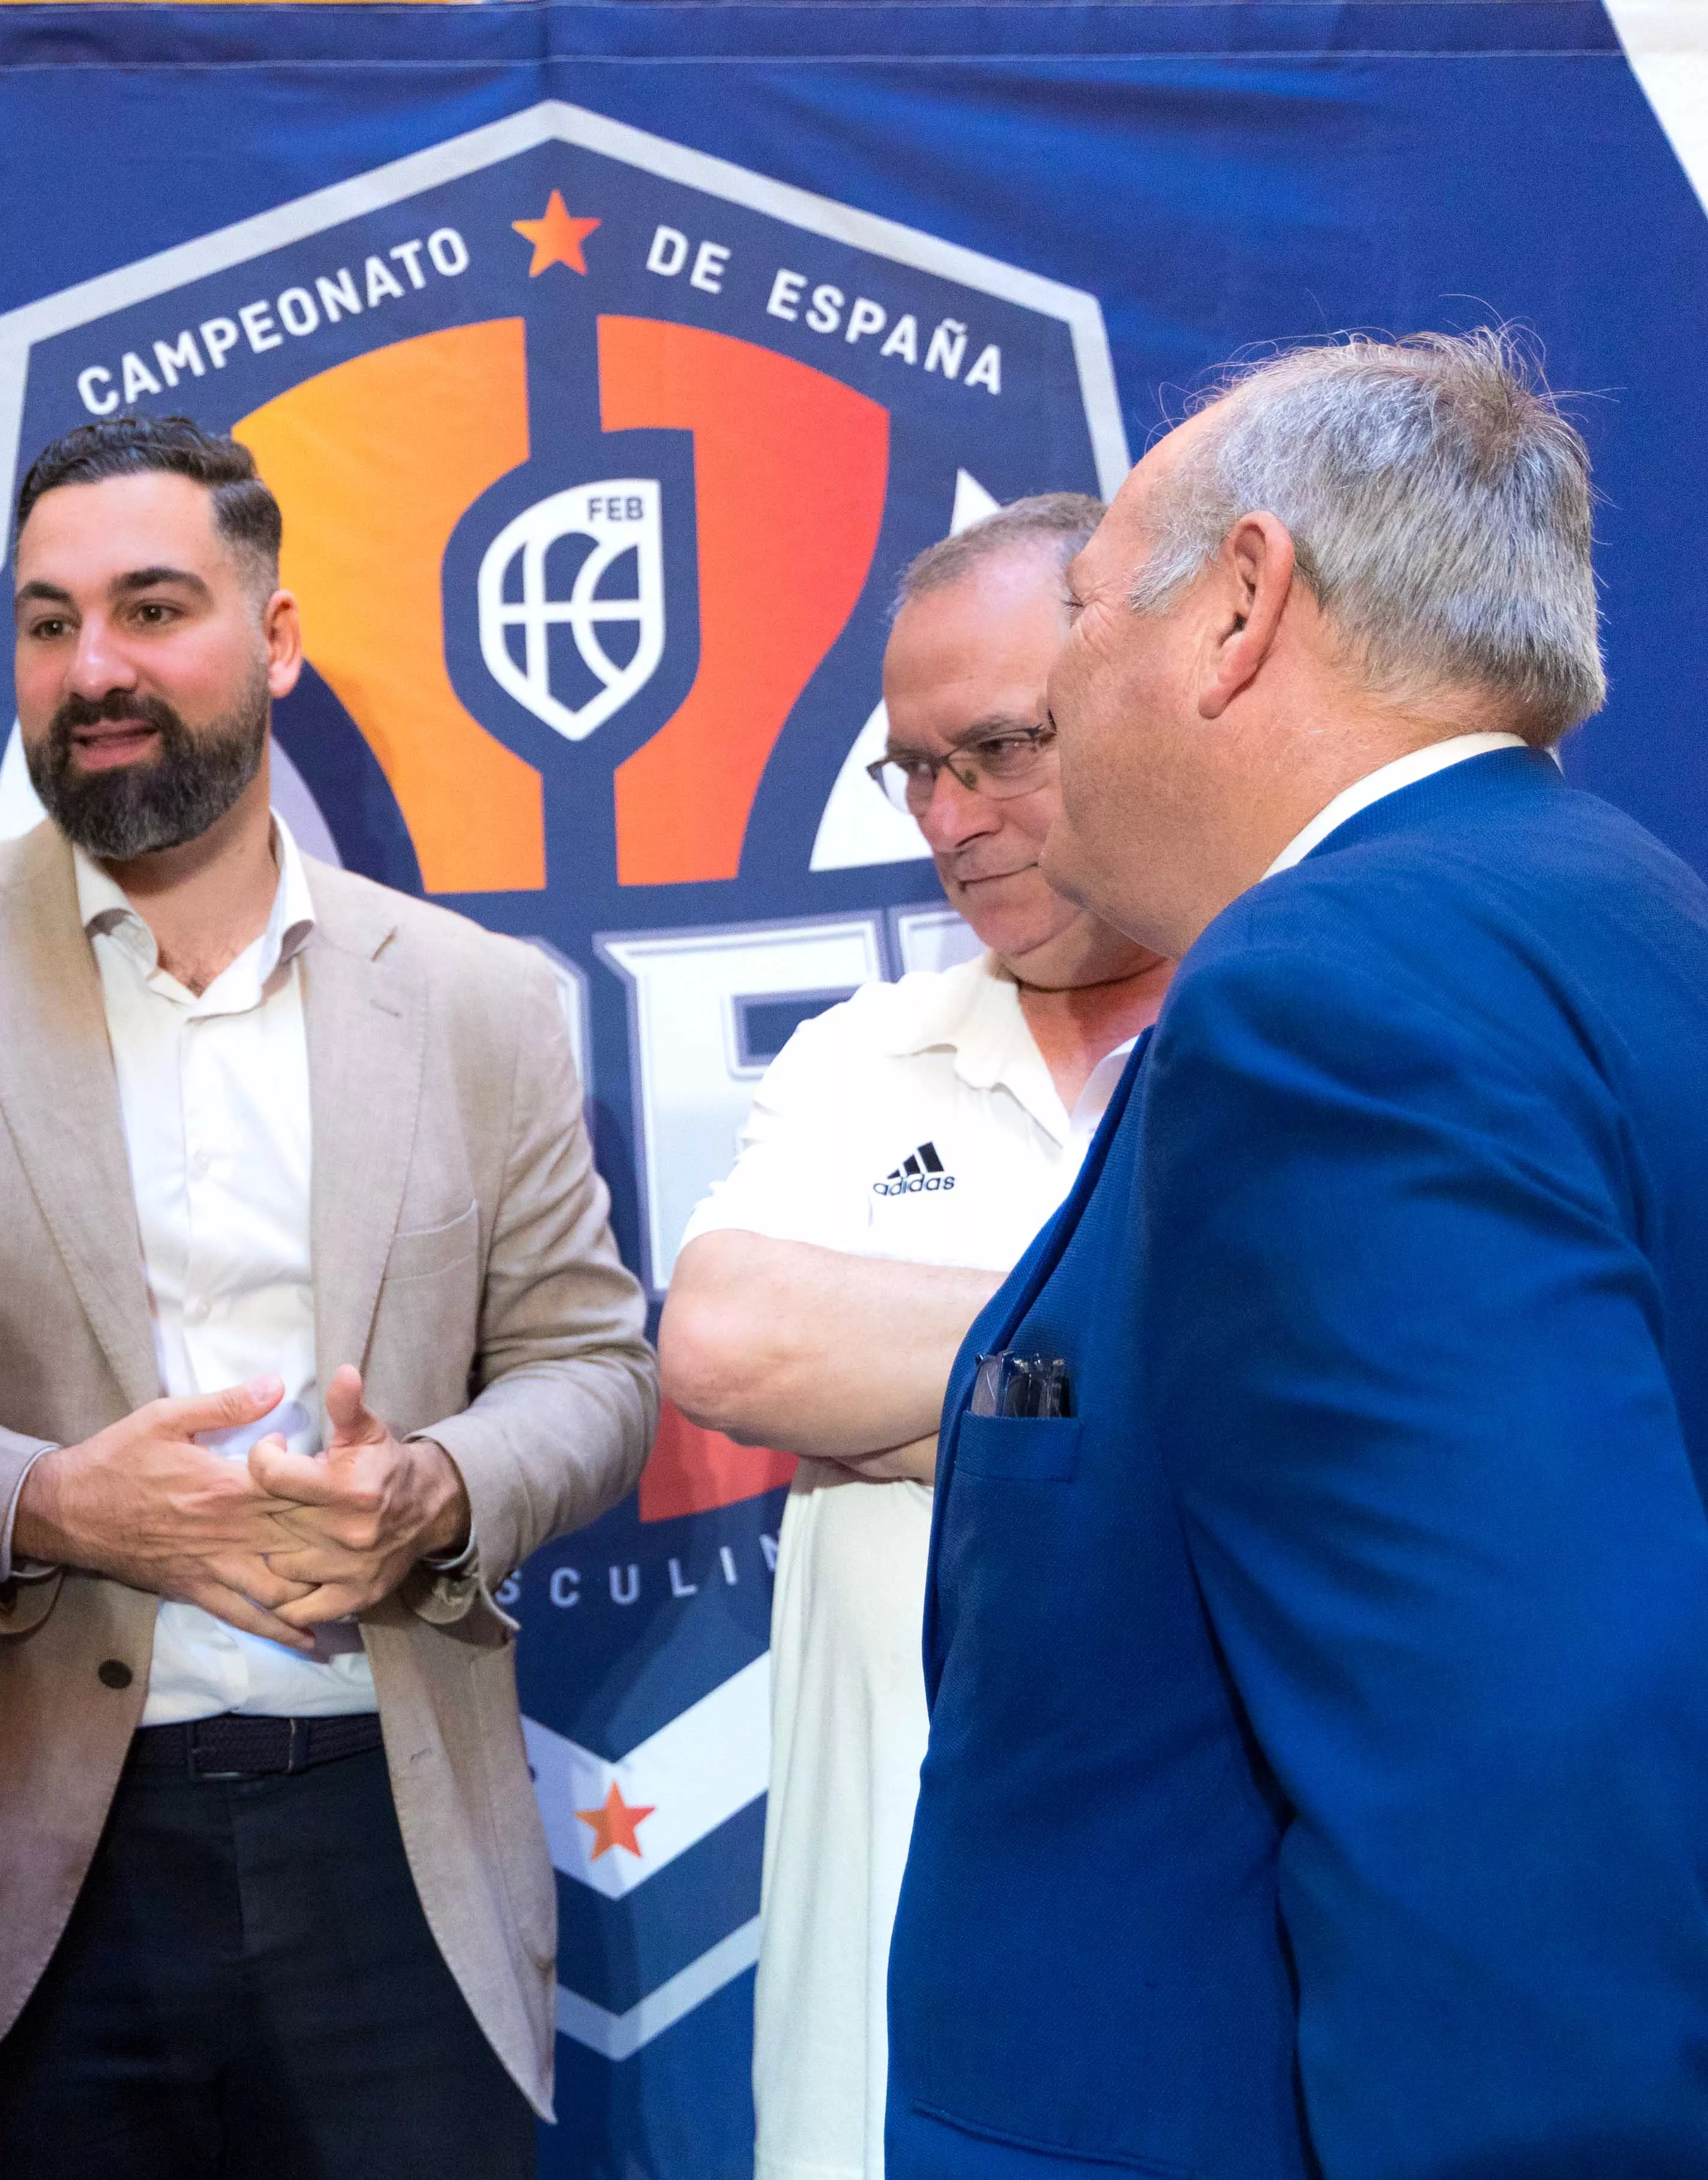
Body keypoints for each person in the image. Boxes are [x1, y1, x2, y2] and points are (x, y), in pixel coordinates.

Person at [0, 415, 657, 2179]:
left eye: (151, 610)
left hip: (398, 1856)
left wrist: (431, 1495)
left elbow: (592, 1368)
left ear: (276, 639)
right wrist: (48, 1502)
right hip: (17, 1873)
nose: (95, 670)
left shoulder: (475, 1002)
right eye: (49, 626)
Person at [892, 329, 1708, 2176]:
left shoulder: (1331, 990)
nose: (1057, 684)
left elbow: (1517, 1789)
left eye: (1084, 608)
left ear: (1240, 605)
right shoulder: (1631, 916)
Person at [660, 494, 1168, 2180]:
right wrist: (1154, 1370)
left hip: (1197, 1979)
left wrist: (910, 1403)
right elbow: (727, 1344)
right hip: (871, 2013)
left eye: (1003, 749)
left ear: (1142, 684)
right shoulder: (859, 1056)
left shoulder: (1301, 1023)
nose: (954, 820)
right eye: (917, 770)